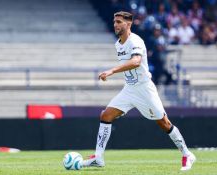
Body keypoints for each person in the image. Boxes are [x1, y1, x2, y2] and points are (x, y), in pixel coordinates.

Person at [82, 11, 196, 171]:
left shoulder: (136, 41)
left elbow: (136, 62)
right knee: (106, 115)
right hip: (129, 89)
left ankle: (187, 154)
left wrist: (112, 71)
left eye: (119, 22)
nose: (115, 24)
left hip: (144, 89)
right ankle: (98, 157)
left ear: (128, 24)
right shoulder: (118, 44)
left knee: (164, 123)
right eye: (115, 21)